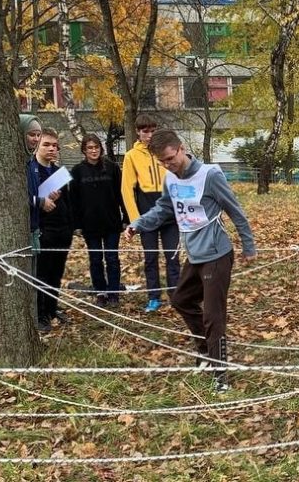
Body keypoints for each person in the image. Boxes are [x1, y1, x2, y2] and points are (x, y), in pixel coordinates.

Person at [123, 130, 256, 392]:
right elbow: (163, 208)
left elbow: (235, 210)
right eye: (162, 162)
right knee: (181, 300)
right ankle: (206, 349)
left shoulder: (210, 175)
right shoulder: (170, 178)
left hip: (217, 254)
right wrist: (137, 224)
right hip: (194, 254)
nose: (167, 165)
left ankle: (220, 376)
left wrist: (248, 246)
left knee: (213, 316)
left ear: (181, 149)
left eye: (170, 159)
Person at [121, 114, 181, 313]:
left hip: (169, 208)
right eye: (145, 131)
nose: (149, 135)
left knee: (173, 255)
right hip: (147, 209)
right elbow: (126, 189)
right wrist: (135, 220)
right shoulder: (131, 156)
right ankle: (154, 297)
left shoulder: (164, 152)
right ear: (138, 132)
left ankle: (176, 295)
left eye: (153, 130)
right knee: (151, 257)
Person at [26, 128, 74, 334]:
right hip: (42, 230)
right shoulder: (29, 169)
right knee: (42, 274)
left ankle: (53, 309)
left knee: (57, 273)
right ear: (37, 145)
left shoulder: (59, 172)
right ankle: (40, 315)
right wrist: (41, 201)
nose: (51, 149)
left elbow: (70, 202)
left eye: (55, 146)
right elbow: (25, 198)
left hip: (62, 231)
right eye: (47, 144)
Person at [70, 133, 127, 308]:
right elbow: (74, 199)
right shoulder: (77, 171)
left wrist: (126, 217)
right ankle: (100, 292)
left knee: (112, 258)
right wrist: (76, 224)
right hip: (89, 224)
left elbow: (121, 194)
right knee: (95, 258)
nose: (93, 151)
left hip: (111, 222)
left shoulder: (112, 168)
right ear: (84, 151)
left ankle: (114, 292)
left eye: (96, 147)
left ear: (100, 149)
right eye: (90, 148)